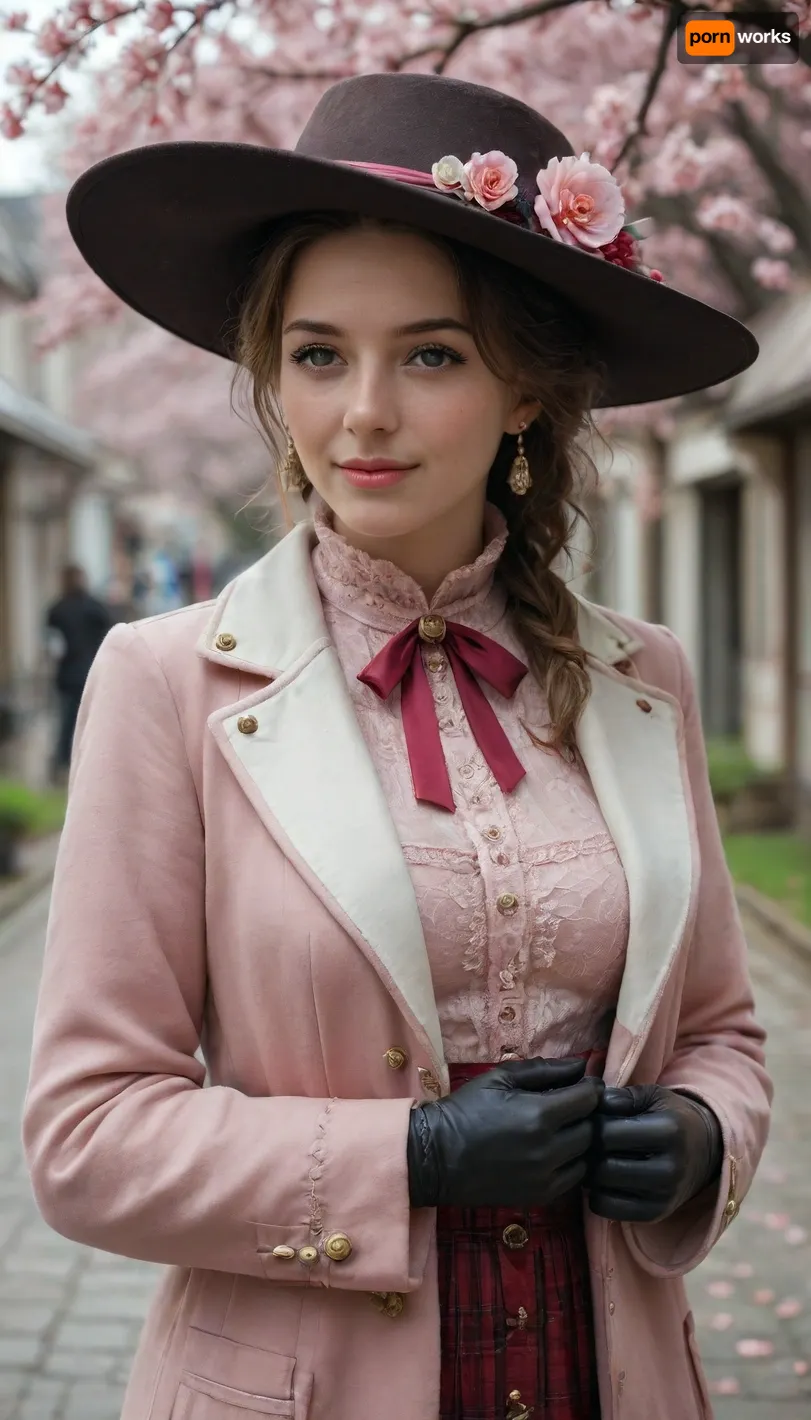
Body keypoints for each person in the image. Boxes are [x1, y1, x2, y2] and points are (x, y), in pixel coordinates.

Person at [23, 73, 771, 1420]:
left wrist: (700, 1133)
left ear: (526, 392)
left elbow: (718, 1030)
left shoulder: (638, 677)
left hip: (604, 1370)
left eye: (428, 354)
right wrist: (410, 1156)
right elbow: (86, 1141)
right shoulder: (163, 685)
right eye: (317, 354)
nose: (361, 411)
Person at [45, 564, 112, 779]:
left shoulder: (56, 610)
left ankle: (65, 762)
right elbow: (109, 636)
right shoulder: (95, 607)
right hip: (92, 670)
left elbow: (53, 646)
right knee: (95, 717)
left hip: (67, 674)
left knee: (67, 721)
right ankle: (94, 760)